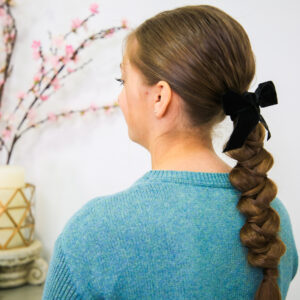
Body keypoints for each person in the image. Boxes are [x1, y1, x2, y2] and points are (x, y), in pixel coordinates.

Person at [42, 4, 298, 300]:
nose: (120, 98)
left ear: (160, 96)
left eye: (123, 82)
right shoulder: (270, 216)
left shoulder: (95, 232)